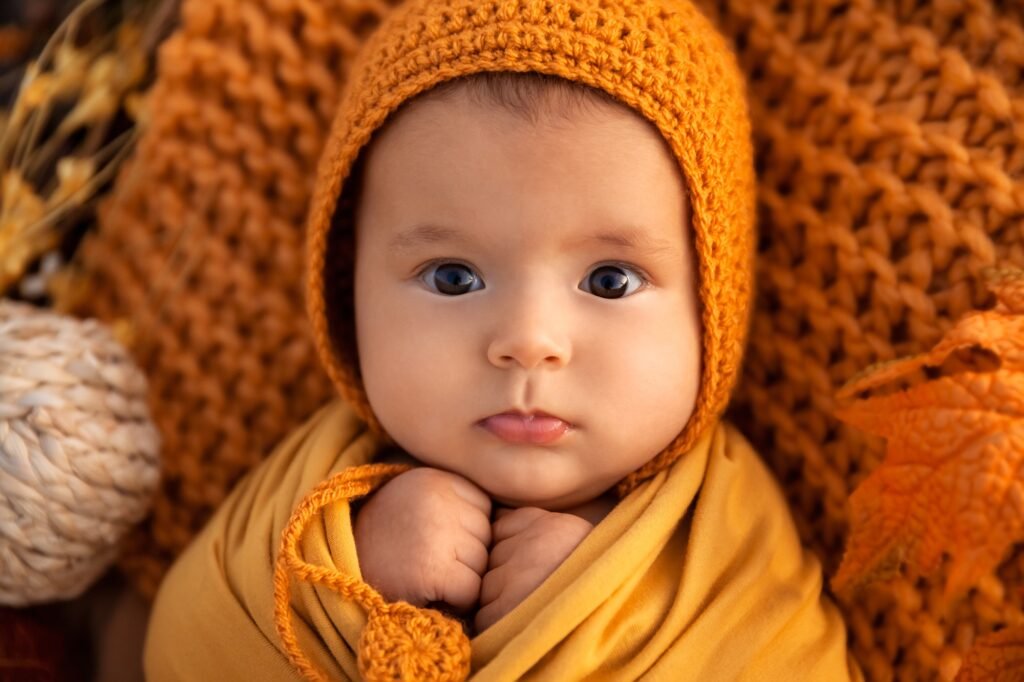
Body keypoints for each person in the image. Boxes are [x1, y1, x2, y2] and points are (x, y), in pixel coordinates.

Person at [144, 0, 864, 679]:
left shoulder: (733, 544)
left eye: (610, 281)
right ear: (344, 290)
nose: (528, 342)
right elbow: (181, 645)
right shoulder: (311, 496)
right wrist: (349, 574)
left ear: (716, 304)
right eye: (453, 278)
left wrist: (594, 614)